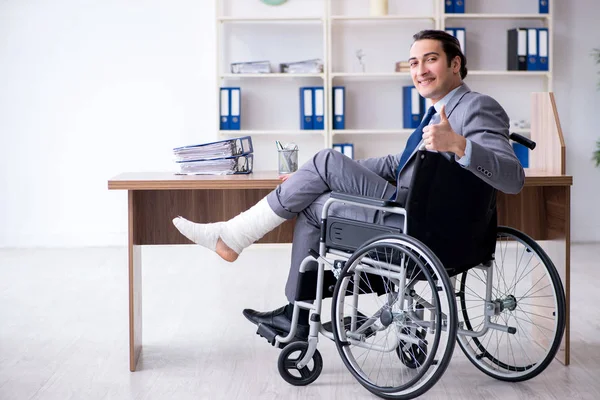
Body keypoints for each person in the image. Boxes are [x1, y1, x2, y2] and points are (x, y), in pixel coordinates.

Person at [172, 29, 525, 341]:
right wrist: (314, 174)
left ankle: (235, 239)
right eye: (414, 63)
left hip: (419, 223)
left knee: (326, 162)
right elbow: (398, 166)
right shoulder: (438, 112)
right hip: (415, 211)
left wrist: (460, 145)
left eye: (430, 60)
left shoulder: (476, 106)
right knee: (316, 199)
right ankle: (295, 312)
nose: (419, 71)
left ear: (455, 64)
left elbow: (512, 178)